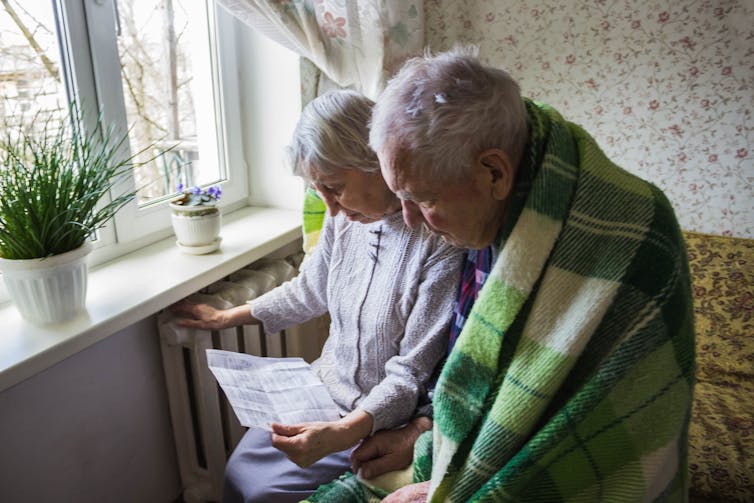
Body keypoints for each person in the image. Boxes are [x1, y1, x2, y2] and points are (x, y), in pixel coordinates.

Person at [306, 46, 695, 503]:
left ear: (494, 172)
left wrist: (442, 492)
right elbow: (472, 371)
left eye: (422, 199)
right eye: (400, 197)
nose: (409, 220)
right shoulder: (487, 214)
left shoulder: (631, 235)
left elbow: (597, 437)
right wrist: (421, 431)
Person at [170, 89, 464, 503]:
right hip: (321, 391)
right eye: (318, 190)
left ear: (376, 162)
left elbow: (410, 374)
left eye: (335, 187)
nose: (330, 206)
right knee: (239, 471)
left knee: (264, 494)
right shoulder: (343, 220)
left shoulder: (439, 240)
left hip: (377, 419)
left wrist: (344, 431)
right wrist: (225, 317)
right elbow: (310, 289)